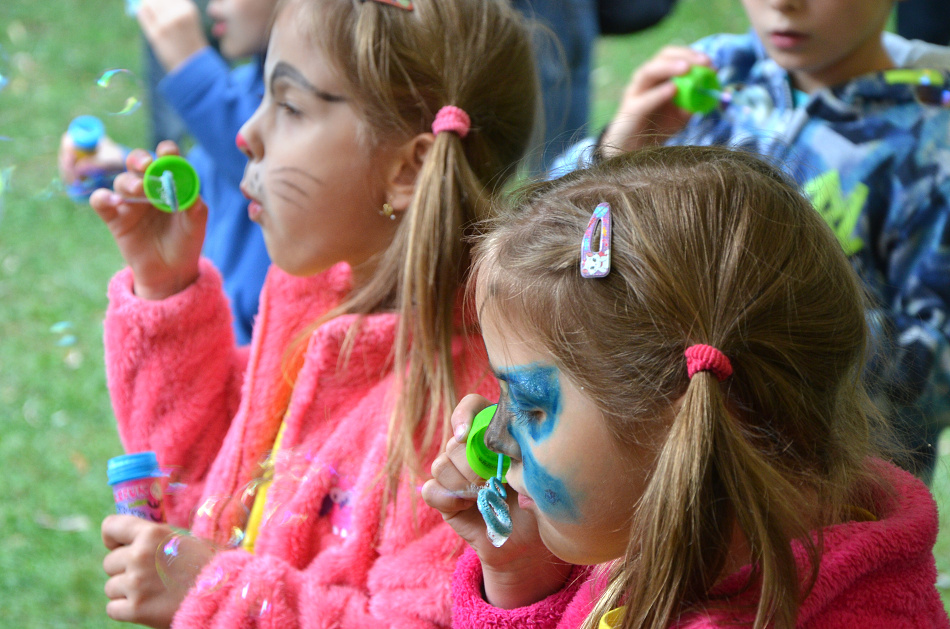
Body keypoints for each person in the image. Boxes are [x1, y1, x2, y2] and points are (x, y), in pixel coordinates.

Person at [89, 0, 539, 624]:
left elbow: (423, 619)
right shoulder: (314, 307)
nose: (247, 133)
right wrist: (167, 289)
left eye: (290, 105)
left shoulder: (473, 413)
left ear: (407, 168)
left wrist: (221, 594)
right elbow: (206, 480)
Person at [423, 146, 950, 629]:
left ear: (680, 423)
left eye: (532, 406)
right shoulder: (669, 535)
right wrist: (521, 572)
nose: (495, 436)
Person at [552, 0, 950, 482]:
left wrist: (767, 322)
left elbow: (932, 379)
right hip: (657, 466)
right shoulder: (716, 77)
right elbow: (550, 248)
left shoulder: (933, 142)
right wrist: (615, 152)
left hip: (826, 497)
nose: (783, 4)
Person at [61, 0, 274, 344]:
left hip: (265, 358)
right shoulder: (246, 80)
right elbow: (204, 183)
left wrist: (192, 66)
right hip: (217, 340)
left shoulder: (328, 99)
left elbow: (268, 170)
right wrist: (120, 168)